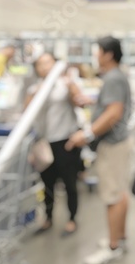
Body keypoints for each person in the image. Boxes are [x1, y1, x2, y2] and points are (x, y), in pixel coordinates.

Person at [66, 36, 132, 264]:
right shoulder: (116, 77)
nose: (96, 55)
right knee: (119, 193)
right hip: (119, 143)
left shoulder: (113, 78)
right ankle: (119, 238)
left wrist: (87, 134)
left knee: (111, 196)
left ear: (108, 54)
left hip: (112, 145)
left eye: (98, 51)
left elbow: (113, 113)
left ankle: (113, 247)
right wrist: (93, 102)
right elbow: (111, 107)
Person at [26, 53, 90, 237]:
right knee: (47, 184)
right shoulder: (34, 89)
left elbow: (80, 103)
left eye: (48, 63)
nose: (45, 67)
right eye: (40, 64)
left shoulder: (65, 85)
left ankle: (72, 218)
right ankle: (48, 218)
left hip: (65, 141)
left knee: (70, 182)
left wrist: (70, 85)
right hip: (44, 143)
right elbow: (26, 112)